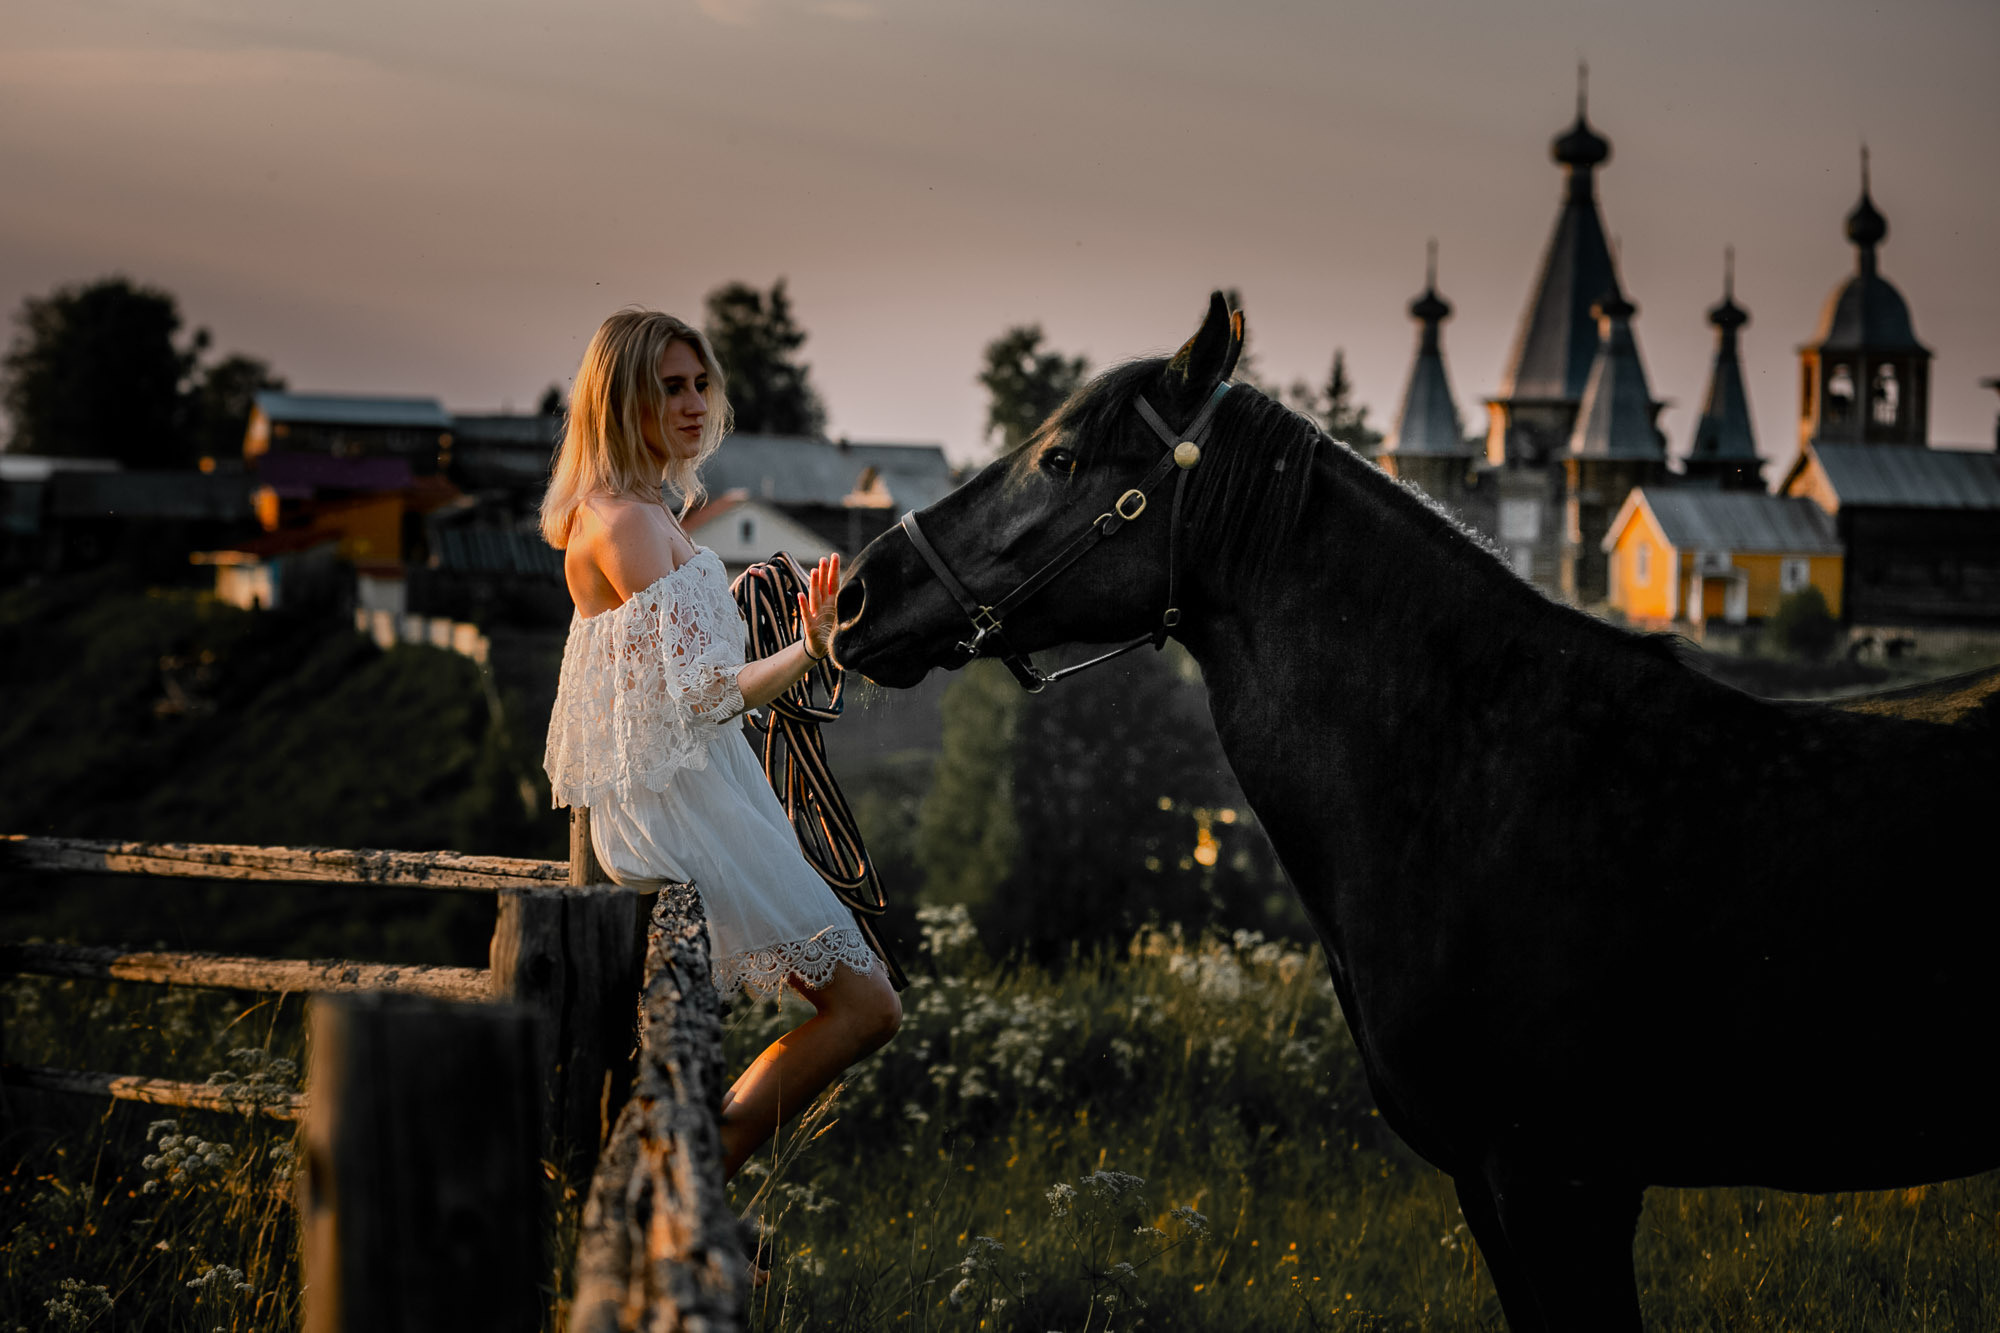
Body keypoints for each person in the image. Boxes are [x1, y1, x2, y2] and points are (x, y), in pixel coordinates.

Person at [540, 308, 901, 1183]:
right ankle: (698, 1172)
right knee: (868, 1007)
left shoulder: (626, 513)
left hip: (689, 791)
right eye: (671, 387)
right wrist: (810, 649)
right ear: (622, 397)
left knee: (857, 1003)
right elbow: (705, 694)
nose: (696, 403)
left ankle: (691, 1166)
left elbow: (666, 670)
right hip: (685, 806)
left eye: (701, 382)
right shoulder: (627, 524)